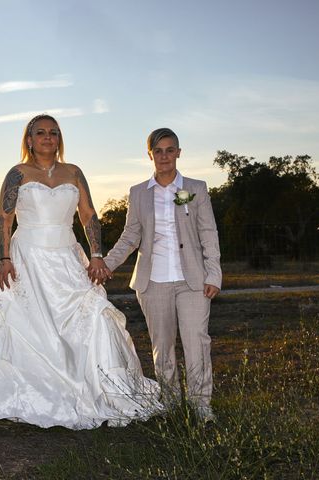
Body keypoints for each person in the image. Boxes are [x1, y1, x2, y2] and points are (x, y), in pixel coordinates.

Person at [0, 114, 161, 429]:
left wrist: (97, 254)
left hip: (67, 256)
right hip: (27, 258)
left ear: (59, 138)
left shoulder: (74, 172)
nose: (48, 137)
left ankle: (97, 387)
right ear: (29, 139)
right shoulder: (17, 174)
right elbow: (4, 219)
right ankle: (21, 390)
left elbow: (88, 216)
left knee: (93, 314)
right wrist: (5, 259)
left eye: (54, 132)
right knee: (19, 322)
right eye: (41, 132)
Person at [91, 127, 221, 422]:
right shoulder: (138, 193)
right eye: (158, 151)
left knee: (196, 342)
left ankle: (201, 405)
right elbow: (130, 235)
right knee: (162, 347)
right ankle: (172, 403)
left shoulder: (196, 188)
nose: (164, 156)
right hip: (152, 282)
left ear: (179, 152)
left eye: (170, 149)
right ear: (150, 154)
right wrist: (107, 264)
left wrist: (214, 273)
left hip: (193, 281)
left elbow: (208, 233)